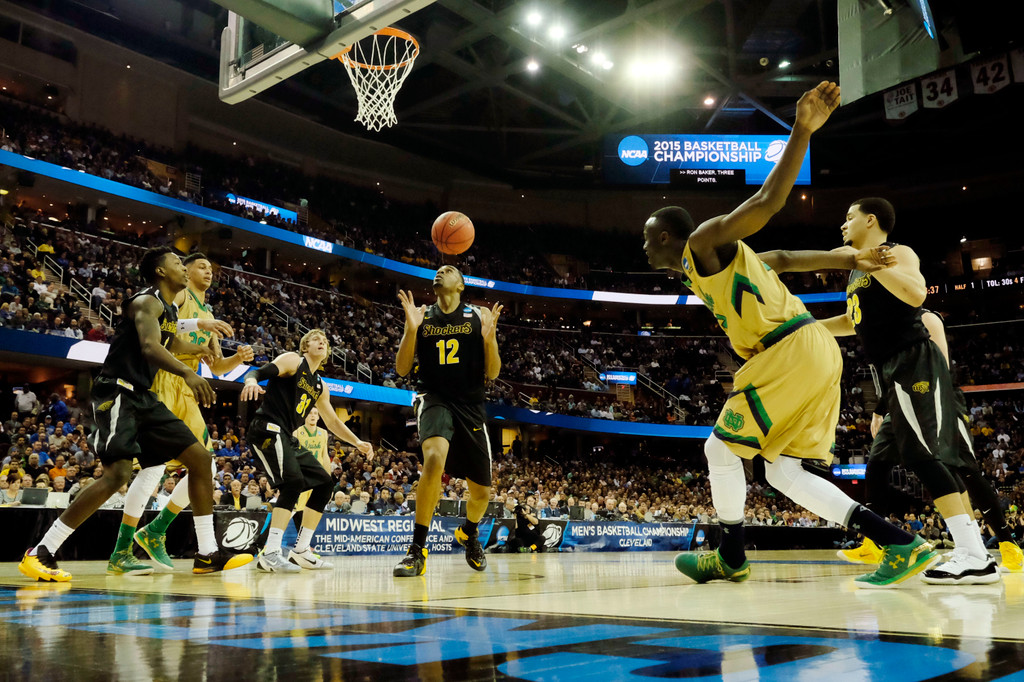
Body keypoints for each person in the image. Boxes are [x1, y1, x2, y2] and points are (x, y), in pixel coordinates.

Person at [644, 81, 939, 588]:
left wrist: (801, 130)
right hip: (815, 350)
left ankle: (730, 556)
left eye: (647, 238)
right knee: (783, 472)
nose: (643, 247)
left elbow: (767, 201)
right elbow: (780, 259)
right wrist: (847, 257)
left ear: (666, 236)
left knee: (720, 450)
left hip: (787, 352)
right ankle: (900, 543)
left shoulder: (702, 242)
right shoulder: (704, 270)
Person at [18, 247, 253, 582]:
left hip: (144, 397)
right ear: (160, 271)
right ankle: (40, 552)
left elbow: (170, 343)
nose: (183, 268)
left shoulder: (170, 309)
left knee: (201, 459)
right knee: (117, 475)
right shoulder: (147, 300)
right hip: (117, 392)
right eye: (177, 263)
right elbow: (149, 346)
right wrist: (189, 373)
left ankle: (207, 553)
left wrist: (200, 350)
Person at [810, 199, 998, 584]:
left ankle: (973, 553)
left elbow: (916, 294)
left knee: (924, 455)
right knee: (920, 455)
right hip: (892, 365)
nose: (843, 225)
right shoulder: (858, 270)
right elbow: (854, 320)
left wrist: (872, 262)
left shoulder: (897, 252)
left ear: (871, 220)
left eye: (849, 218)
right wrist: (808, 326)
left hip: (913, 358)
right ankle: (974, 551)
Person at [837, 308, 1022, 575]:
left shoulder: (925, 317)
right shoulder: (886, 324)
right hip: (899, 398)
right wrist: (881, 408)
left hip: (940, 397)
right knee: (877, 461)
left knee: (965, 470)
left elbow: (939, 367)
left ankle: (1008, 544)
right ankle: (874, 542)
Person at [126, 253, 254, 573]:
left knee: (205, 467)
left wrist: (238, 358)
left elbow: (217, 364)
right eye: (201, 266)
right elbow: (161, 323)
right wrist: (198, 323)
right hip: (163, 379)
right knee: (151, 469)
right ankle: (124, 547)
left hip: (188, 389)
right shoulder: (180, 293)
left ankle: (158, 530)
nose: (207, 271)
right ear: (186, 270)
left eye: (211, 268)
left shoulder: (209, 311)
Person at [392, 265, 502, 576]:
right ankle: (417, 549)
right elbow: (402, 369)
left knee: (481, 493)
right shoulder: (422, 315)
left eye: (449, 270)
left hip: (470, 404)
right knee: (434, 457)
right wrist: (410, 330)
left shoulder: (479, 316)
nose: (441, 272)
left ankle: (469, 531)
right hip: (434, 396)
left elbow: (493, 373)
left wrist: (490, 340)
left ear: (461, 286)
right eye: (439, 270)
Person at [241, 329, 373, 572]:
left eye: (325, 340)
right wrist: (250, 380)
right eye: (316, 339)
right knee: (292, 483)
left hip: (286, 436)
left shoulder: (320, 386)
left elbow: (332, 422)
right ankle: (269, 553)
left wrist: (357, 442)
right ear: (305, 347)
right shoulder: (293, 360)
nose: (322, 342)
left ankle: (301, 550)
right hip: (267, 428)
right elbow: (258, 371)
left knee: (324, 483)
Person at [291, 407, 332, 530]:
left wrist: (328, 478)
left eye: (315, 413)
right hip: (303, 474)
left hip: (318, 475)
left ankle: (306, 541)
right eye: (309, 413)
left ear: (319, 416)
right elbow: (293, 456)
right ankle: (301, 540)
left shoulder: (323, 433)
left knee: (314, 508)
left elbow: (325, 456)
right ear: (304, 416)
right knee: (300, 508)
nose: (313, 416)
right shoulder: (297, 432)